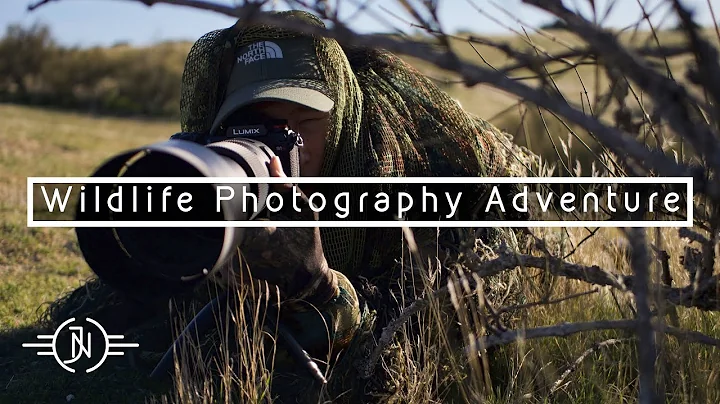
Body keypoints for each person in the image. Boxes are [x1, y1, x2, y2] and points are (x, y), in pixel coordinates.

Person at [44, 9, 537, 404]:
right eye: (252, 122)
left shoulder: (412, 180)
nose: (279, 143)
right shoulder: (221, 178)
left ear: (341, 121)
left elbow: (421, 349)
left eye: (301, 122)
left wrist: (314, 281)